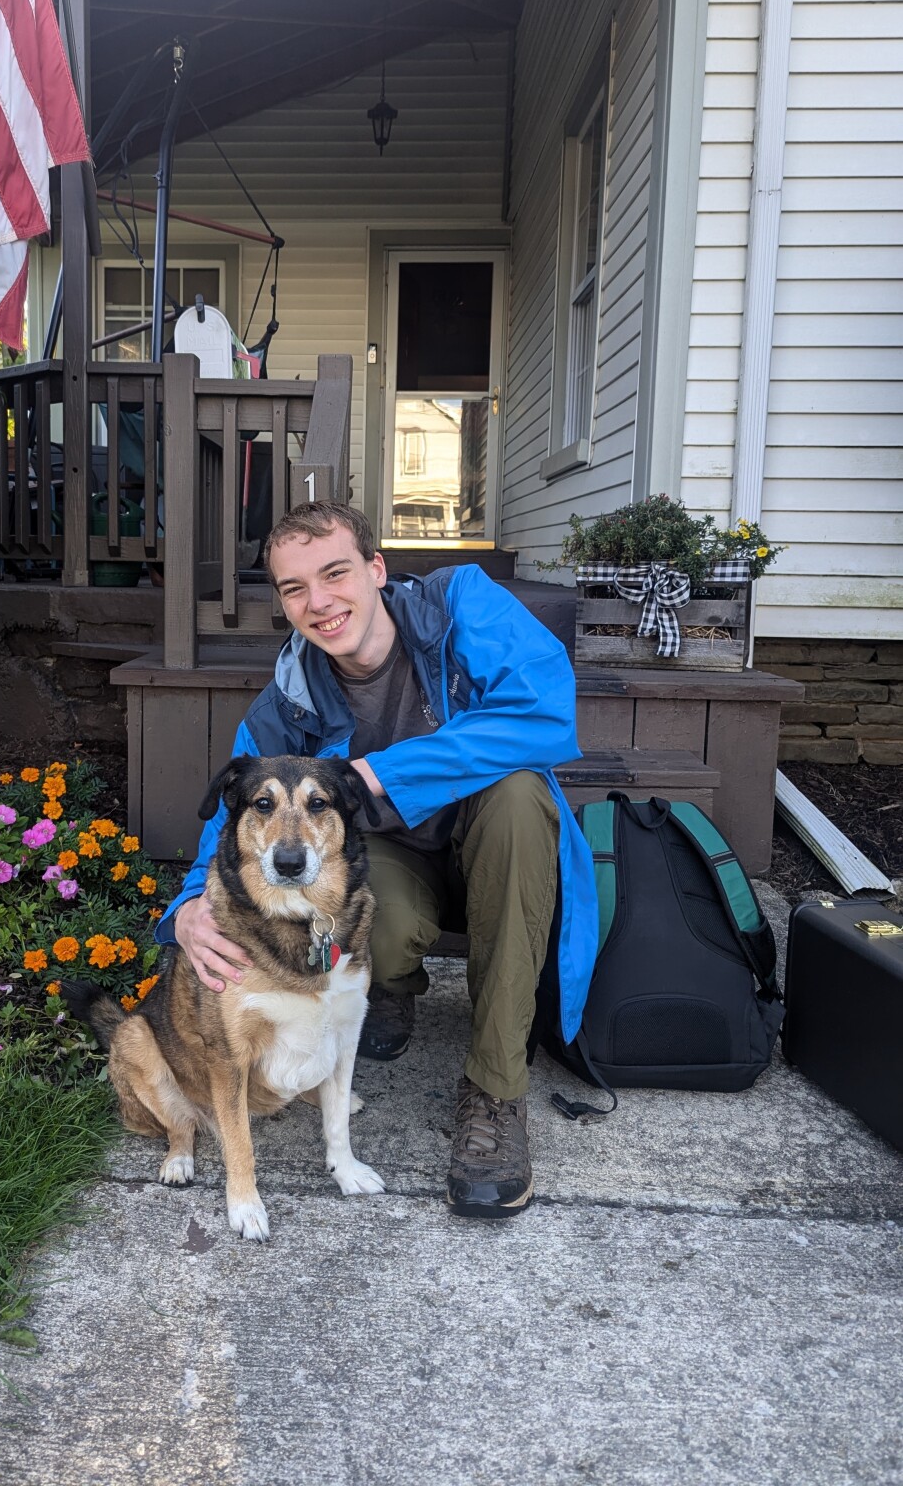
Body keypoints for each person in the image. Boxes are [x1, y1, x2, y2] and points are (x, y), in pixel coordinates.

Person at [157, 501, 599, 1219]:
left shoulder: (457, 607)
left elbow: (545, 712)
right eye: (295, 588)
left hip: (498, 846)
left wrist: (380, 773)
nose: (319, 602)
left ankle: (495, 1091)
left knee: (519, 796)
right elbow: (234, 829)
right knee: (362, 921)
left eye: (334, 574)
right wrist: (186, 911)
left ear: (376, 568)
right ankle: (390, 982)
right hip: (401, 863)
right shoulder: (286, 706)